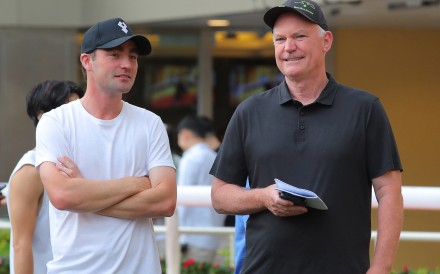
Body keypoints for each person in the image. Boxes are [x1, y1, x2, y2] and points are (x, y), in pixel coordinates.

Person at [210, 1, 403, 273]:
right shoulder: (249, 112)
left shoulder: (365, 109)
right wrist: (264, 197)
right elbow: (220, 196)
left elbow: (389, 191)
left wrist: (381, 267)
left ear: (326, 41)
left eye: (299, 36)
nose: (289, 47)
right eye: (280, 39)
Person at [35, 18, 176, 273]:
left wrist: (85, 193)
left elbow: (165, 202)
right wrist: (137, 183)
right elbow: (63, 196)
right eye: (114, 54)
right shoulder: (56, 122)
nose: (127, 64)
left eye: (133, 57)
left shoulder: (150, 123)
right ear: (87, 61)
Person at [4, 80, 85, 274]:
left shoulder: (73, 163)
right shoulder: (30, 170)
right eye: (68, 110)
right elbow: (20, 245)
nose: (78, 118)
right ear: (43, 117)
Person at [176, 115, 226, 263]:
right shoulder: (214, 156)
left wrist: (181, 235)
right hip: (215, 233)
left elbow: (182, 199)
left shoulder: (190, 158)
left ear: (185, 134)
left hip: (193, 235)